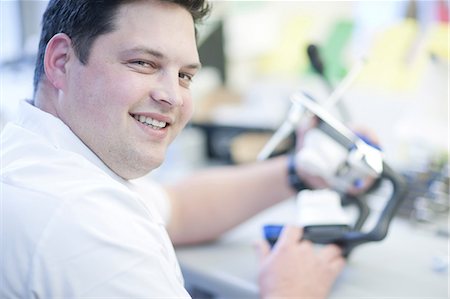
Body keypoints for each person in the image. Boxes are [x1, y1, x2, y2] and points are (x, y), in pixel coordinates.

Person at [0, 0, 346, 298]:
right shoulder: (83, 221)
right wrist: (292, 291)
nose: (173, 96)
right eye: (144, 63)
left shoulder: (35, 155)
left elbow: (178, 208)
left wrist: (299, 170)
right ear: (61, 61)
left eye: (185, 76)